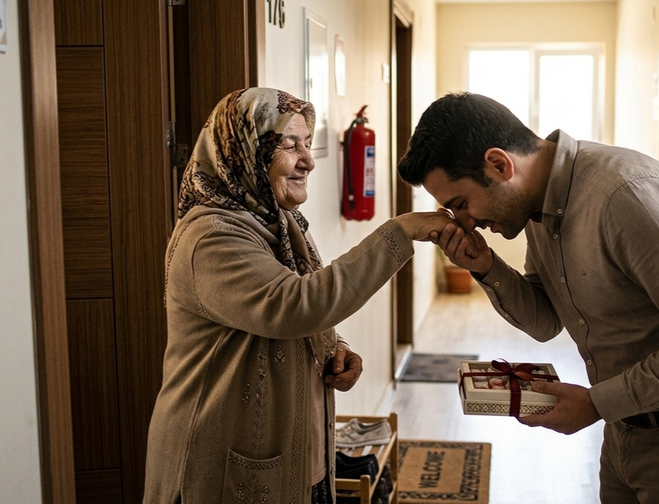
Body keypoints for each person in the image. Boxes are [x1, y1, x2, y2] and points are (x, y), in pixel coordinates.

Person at [398, 92, 659, 503]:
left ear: (500, 165)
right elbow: (544, 322)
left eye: (461, 204)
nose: (467, 223)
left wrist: (596, 403)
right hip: (626, 425)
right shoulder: (537, 206)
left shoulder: (628, 195)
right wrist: (486, 265)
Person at [144, 87, 453, 504]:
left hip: (299, 457)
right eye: (290, 145)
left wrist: (336, 347)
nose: (308, 160)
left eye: (307, 144)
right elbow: (295, 306)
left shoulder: (281, 222)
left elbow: (301, 308)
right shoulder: (212, 236)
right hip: (219, 469)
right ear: (243, 151)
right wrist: (401, 232)